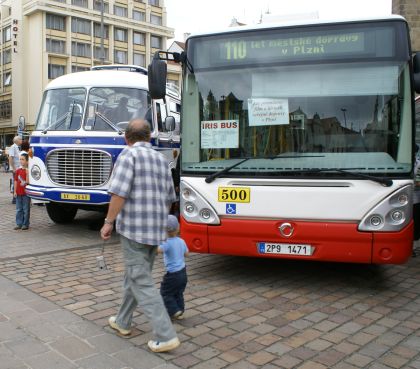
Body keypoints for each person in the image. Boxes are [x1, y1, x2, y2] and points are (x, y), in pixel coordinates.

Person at [100, 119, 180, 353]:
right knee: (134, 277)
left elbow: (118, 194)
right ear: (149, 137)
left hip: (133, 230)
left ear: (127, 138)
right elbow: (169, 198)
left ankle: (165, 335)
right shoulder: (161, 159)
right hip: (155, 230)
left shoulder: (128, 156)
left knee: (141, 280)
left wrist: (108, 222)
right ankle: (123, 321)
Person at [158, 215, 189, 320]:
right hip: (183, 273)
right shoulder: (181, 241)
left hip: (172, 274)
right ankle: (180, 310)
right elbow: (186, 254)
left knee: (165, 293)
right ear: (178, 227)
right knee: (178, 292)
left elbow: (158, 250)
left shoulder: (166, 243)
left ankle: (174, 310)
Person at [14, 152, 30, 230]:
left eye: (23, 159)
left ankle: (25, 224)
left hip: (26, 193)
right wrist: (14, 191)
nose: (21, 161)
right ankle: (19, 223)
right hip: (18, 193)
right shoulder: (18, 171)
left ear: (27, 161)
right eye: (20, 159)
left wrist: (27, 174)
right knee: (18, 209)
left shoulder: (28, 171)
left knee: (26, 209)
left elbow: (27, 182)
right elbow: (16, 181)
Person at [9, 136, 22, 204]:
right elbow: (10, 158)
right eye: (21, 139)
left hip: (17, 168)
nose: (21, 140)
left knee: (16, 182)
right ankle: (14, 199)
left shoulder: (17, 147)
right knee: (15, 182)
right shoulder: (13, 147)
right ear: (17, 140)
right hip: (15, 168)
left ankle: (16, 197)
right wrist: (13, 168)